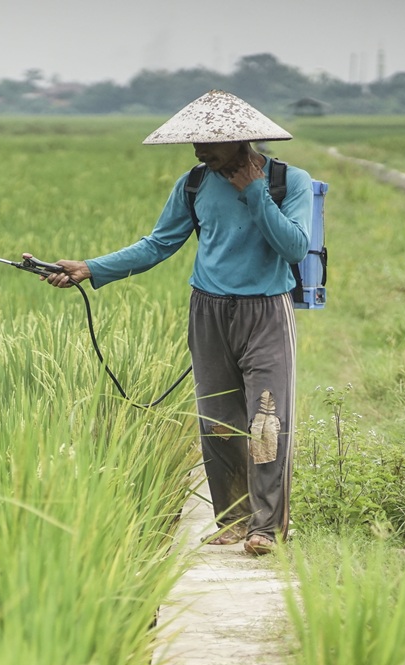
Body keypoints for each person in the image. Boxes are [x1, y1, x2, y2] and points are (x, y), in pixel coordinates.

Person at [25, 90, 313, 556]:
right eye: (194, 142)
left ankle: (267, 527)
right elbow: (158, 244)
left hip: (265, 310)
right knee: (218, 418)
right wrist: (91, 268)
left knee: (266, 419)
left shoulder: (287, 181)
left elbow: (295, 248)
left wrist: (256, 194)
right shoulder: (194, 184)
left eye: (209, 142)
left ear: (242, 139)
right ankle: (235, 520)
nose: (199, 151)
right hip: (209, 310)